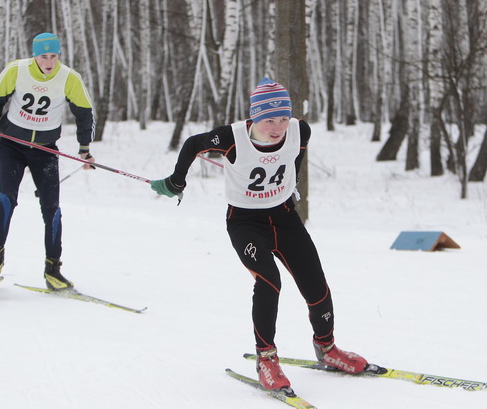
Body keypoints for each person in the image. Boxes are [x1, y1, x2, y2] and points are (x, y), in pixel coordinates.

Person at [150, 78, 369, 391]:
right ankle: (266, 359)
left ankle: (327, 349)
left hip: (284, 217)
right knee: (269, 282)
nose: (278, 126)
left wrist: (291, 184)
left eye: (283, 118)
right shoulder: (231, 137)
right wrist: (176, 182)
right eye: (269, 119)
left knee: (316, 285)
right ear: (254, 117)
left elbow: (295, 155)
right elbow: (192, 145)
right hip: (245, 222)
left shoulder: (300, 130)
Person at [0, 32, 95, 290]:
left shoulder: (69, 77)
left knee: (52, 210)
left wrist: (84, 150)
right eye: (44, 56)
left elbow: (84, 113)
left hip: (45, 149)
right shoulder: (16, 70)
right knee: (7, 200)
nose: (50, 61)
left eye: (54, 55)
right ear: (35, 55)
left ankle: (53, 270)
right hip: (11, 145)